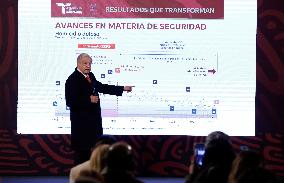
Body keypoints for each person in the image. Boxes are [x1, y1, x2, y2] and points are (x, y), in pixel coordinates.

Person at [65, 53, 133, 165]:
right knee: (82, 156)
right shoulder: (72, 79)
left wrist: (123, 88)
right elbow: (70, 101)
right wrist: (88, 99)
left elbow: (102, 87)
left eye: (90, 63)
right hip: (82, 126)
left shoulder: (90, 76)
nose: (88, 66)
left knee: (92, 156)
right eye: (85, 63)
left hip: (93, 124)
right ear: (78, 64)